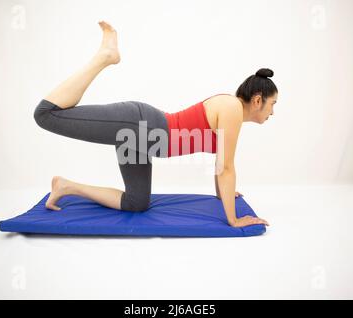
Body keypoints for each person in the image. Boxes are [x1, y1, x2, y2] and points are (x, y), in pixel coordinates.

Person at [34, 20, 277, 228]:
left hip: (143, 141)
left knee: (136, 203)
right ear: (257, 100)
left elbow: (220, 165)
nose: (272, 112)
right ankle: (104, 57)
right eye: (272, 104)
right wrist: (234, 220)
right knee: (46, 114)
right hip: (140, 125)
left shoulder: (232, 114)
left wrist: (223, 195)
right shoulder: (232, 108)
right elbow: (225, 168)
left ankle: (66, 186)